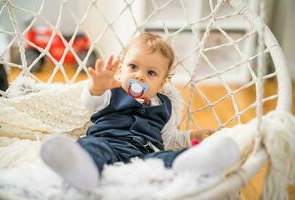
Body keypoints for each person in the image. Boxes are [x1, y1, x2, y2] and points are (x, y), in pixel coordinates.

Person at [41, 33, 240, 192]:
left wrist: (192, 136)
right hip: (107, 142)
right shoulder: (112, 91)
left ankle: (192, 162)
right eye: (133, 66)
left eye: (151, 73)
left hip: (145, 155)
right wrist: (97, 87)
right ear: (121, 68)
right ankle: (82, 171)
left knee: (165, 159)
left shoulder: (165, 106)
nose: (139, 76)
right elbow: (90, 102)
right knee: (90, 147)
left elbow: (169, 138)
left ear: (162, 83)